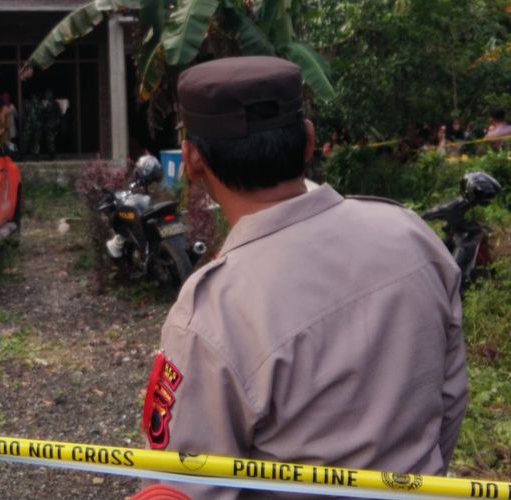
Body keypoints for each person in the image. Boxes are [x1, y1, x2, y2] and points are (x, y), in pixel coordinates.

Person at [139, 56, 468, 499]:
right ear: (309, 141)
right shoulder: (410, 234)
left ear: (193, 160)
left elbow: (184, 487)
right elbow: (450, 401)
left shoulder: (213, 313)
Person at [40, 89, 62, 159]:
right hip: (46, 124)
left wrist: (55, 123)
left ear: (51, 95)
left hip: (52, 124)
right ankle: (50, 154)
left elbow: (58, 114)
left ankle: (52, 154)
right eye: (46, 94)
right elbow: (43, 114)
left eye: (48, 94)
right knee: (48, 140)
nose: (46, 96)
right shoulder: (45, 104)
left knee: (51, 140)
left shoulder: (55, 104)